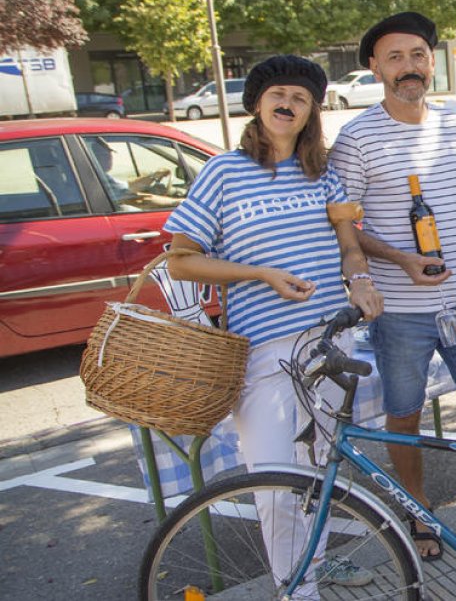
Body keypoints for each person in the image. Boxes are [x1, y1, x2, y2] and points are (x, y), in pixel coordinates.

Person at [164, 55, 386, 597]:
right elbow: (181, 259)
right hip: (263, 349)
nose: (288, 102)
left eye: (301, 97)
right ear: (258, 104)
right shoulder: (223, 171)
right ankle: (298, 591)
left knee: (320, 470)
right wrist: (260, 273)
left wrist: (359, 281)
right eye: (277, 94)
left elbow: (349, 245)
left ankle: (315, 561)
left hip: (329, 341)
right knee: (273, 481)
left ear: (311, 112)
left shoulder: (322, 174)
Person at [328, 11, 456, 562]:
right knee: (404, 415)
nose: (409, 67)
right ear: (376, 68)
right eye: (395, 57)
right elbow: (344, 223)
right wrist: (400, 260)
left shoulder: (452, 126)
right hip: (399, 311)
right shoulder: (355, 139)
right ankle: (417, 513)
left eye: (417, 55)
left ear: (432, 62)